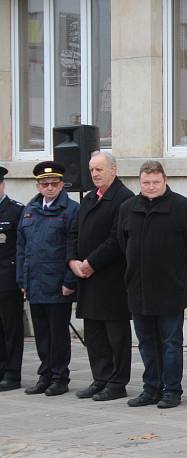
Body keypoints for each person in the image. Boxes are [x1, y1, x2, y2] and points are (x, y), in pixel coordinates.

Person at [117, 161, 187, 409]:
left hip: (170, 289)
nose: (151, 187)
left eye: (155, 182)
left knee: (171, 343)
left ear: (165, 180)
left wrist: (176, 273)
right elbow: (123, 244)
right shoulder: (127, 208)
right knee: (146, 343)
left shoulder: (184, 208)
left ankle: (172, 390)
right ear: (139, 183)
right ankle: (150, 388)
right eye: (146, 183)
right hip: (138, 289)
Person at [67, 151, 134, 401]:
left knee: (115, 335)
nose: (95, 174)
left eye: (100, 169)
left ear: (114, 170)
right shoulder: (88, 199)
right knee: (94, 333)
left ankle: (117, 383)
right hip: (86, 278)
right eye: (92, 169)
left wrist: (91, 263)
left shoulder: (123, 199)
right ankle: (100, 378)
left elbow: (116, 239)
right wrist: (72, 260)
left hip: (111, 279)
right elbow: (73, 233)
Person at [16, 161, 80, 396]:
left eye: (54, 183)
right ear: (38, 186)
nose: (49, 187)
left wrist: (69, 281)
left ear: (62, 185)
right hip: (35, 282)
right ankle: (45, 375)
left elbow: (72, 249)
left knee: (58, 334)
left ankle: (60, 377)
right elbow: (22, 247)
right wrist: (22, 281)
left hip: (57, 283)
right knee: (41, 334)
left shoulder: (71, 210)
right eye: (44, 184)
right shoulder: (30, 209)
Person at [0, 166, 26, 392]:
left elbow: (21, 247)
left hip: (7, 280)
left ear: (2, 185)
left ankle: (12, 372)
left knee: (11, 329)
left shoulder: (15, 211)